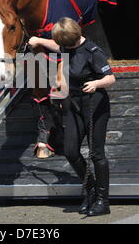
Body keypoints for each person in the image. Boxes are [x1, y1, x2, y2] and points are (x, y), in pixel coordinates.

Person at [28, 17, 116, 217]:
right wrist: (38, 41)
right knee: (70, 151)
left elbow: (111, 78)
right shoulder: (67, 46)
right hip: (74, 105)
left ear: (72, 38)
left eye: (64, 43)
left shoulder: (93, 52)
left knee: (96, 153)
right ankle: (91, 190)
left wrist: (96, 84)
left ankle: (103, 201)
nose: (62, 47)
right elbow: (56, 46)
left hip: (95, 105)